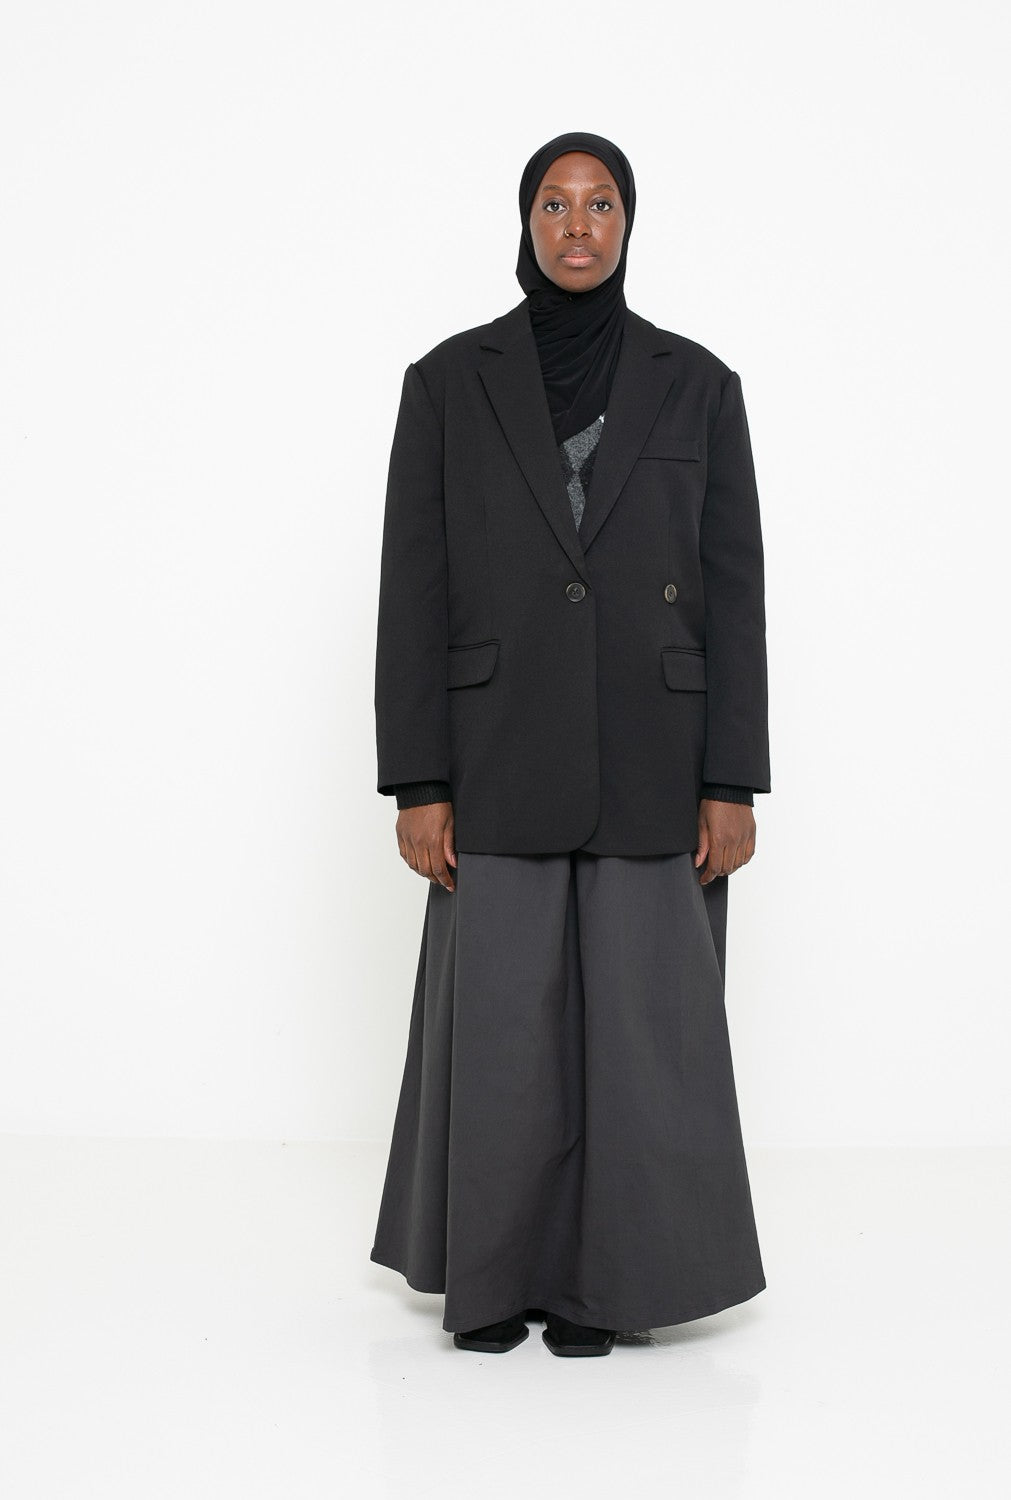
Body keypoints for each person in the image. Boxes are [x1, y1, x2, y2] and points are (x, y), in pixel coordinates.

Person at [370, 131, 771, 1357]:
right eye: (556, 203)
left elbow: (734, 590)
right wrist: (419, 780)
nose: (578, 225)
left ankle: (606, 1289)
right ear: (527, 221)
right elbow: (413, 589)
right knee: (502, 1033)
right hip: (498, 750)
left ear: (628, 223)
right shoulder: (448, 382)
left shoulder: (699, 384)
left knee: (642, 1039)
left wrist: (733, 778)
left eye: (601, 204)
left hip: (658, 754)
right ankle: (497, 1283)